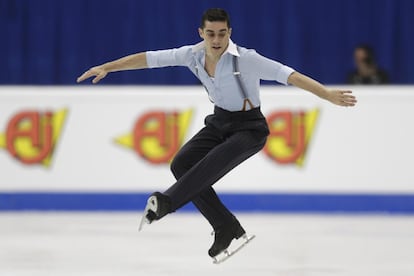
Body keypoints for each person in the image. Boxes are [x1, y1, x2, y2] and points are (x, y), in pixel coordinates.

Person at [77, 8, 357, 262]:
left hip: (249, 128)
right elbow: (149, 59)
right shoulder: (191, 54)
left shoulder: (246, 59)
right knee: (181, 163)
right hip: (219, 121)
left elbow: (290, 75)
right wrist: (108, 67)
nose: (216, 39)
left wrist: (327, 94)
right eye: (210, 33)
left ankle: (167, 202)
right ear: (201, 33)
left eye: (222, 33)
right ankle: (225, 227)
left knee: (211, 164)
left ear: (229, 33)